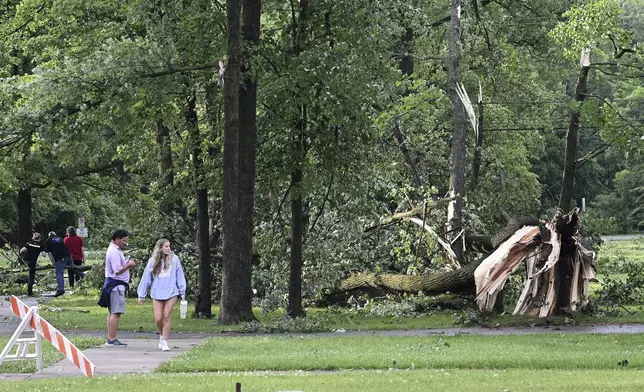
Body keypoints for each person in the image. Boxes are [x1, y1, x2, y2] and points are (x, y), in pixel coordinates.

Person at [137, 239, 186, 352]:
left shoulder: (175, 259)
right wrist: (141, 295)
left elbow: (179, 275)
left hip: (171, 291)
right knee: (158, 318)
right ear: (160, 248)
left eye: (169, 246)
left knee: (166, 315)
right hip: (157, 292)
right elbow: (146, 278)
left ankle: (165, 341)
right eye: (166, 246)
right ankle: (161, 335)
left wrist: (182, 291)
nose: (169, 248)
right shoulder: (152, 261)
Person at [98, 229, 136, 347]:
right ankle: (112, 338)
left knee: (112, 312)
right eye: (124, 240)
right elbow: (117, 271)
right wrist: (128, 264)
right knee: (116, 312)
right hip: (116, 285)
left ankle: (111, 337)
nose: (125, 243)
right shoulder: (114, 252)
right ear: (117, 239)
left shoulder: (115, 250)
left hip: (114, 285)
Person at [45, 231, 73, 297]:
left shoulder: (48, 241)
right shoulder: (60, 238)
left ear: (49, 236)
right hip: (68, 255)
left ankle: (61, 289)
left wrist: (53, 262)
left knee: (59, 273)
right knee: (74, 268)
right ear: (55, 235)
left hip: (60, 257)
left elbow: (49, 252)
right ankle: (85, 277)